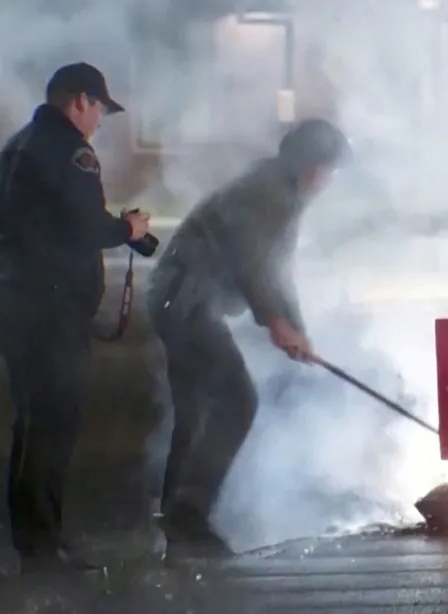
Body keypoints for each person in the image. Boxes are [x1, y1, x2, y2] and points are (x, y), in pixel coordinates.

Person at [146, 118, 349, 550]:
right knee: (238, 400)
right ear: (311, 165)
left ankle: (175, 513)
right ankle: (188, 513)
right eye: (329, 169)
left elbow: (278, 274)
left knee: (195, 408)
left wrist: (297, 329)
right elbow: (250, 262)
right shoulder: (267, 194)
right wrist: (276, 322)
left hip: (178, 299)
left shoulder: (281, 193)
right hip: (187, 302)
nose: (330, 180)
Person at [0, 62, 151, 572]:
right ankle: (42, 544)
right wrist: (128, 228)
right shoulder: (71, 151)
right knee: (54, 426)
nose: (100, 119)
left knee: (32, 425)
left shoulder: (18, 145)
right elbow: (83, 225)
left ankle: (32, 538)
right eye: (99, 108)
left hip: (18, 305)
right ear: (80, 101)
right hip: (51, 313)